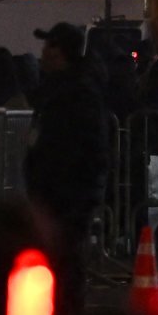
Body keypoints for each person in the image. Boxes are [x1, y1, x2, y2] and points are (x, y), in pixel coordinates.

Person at [22, 20, 108, 264]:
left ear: (60, 51)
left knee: (65, 265)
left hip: (67, 198)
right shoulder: (57, 89)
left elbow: (90, 149)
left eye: (48, 45)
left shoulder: (77, 93)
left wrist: (80, 199)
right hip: (54, 196)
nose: (43, 52)